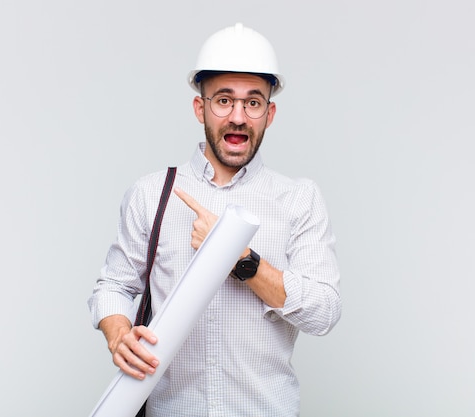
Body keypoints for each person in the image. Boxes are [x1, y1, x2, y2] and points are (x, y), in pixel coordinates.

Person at [88, 22, 342, 417]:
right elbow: (112, 286)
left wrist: (238, 257)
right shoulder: (152, 194)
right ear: (200, 107)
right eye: (223, 100)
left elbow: (324, 311)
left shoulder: (298, 200)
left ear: (269, 113)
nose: (238, 116)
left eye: (253, 103)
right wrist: (119, 334)